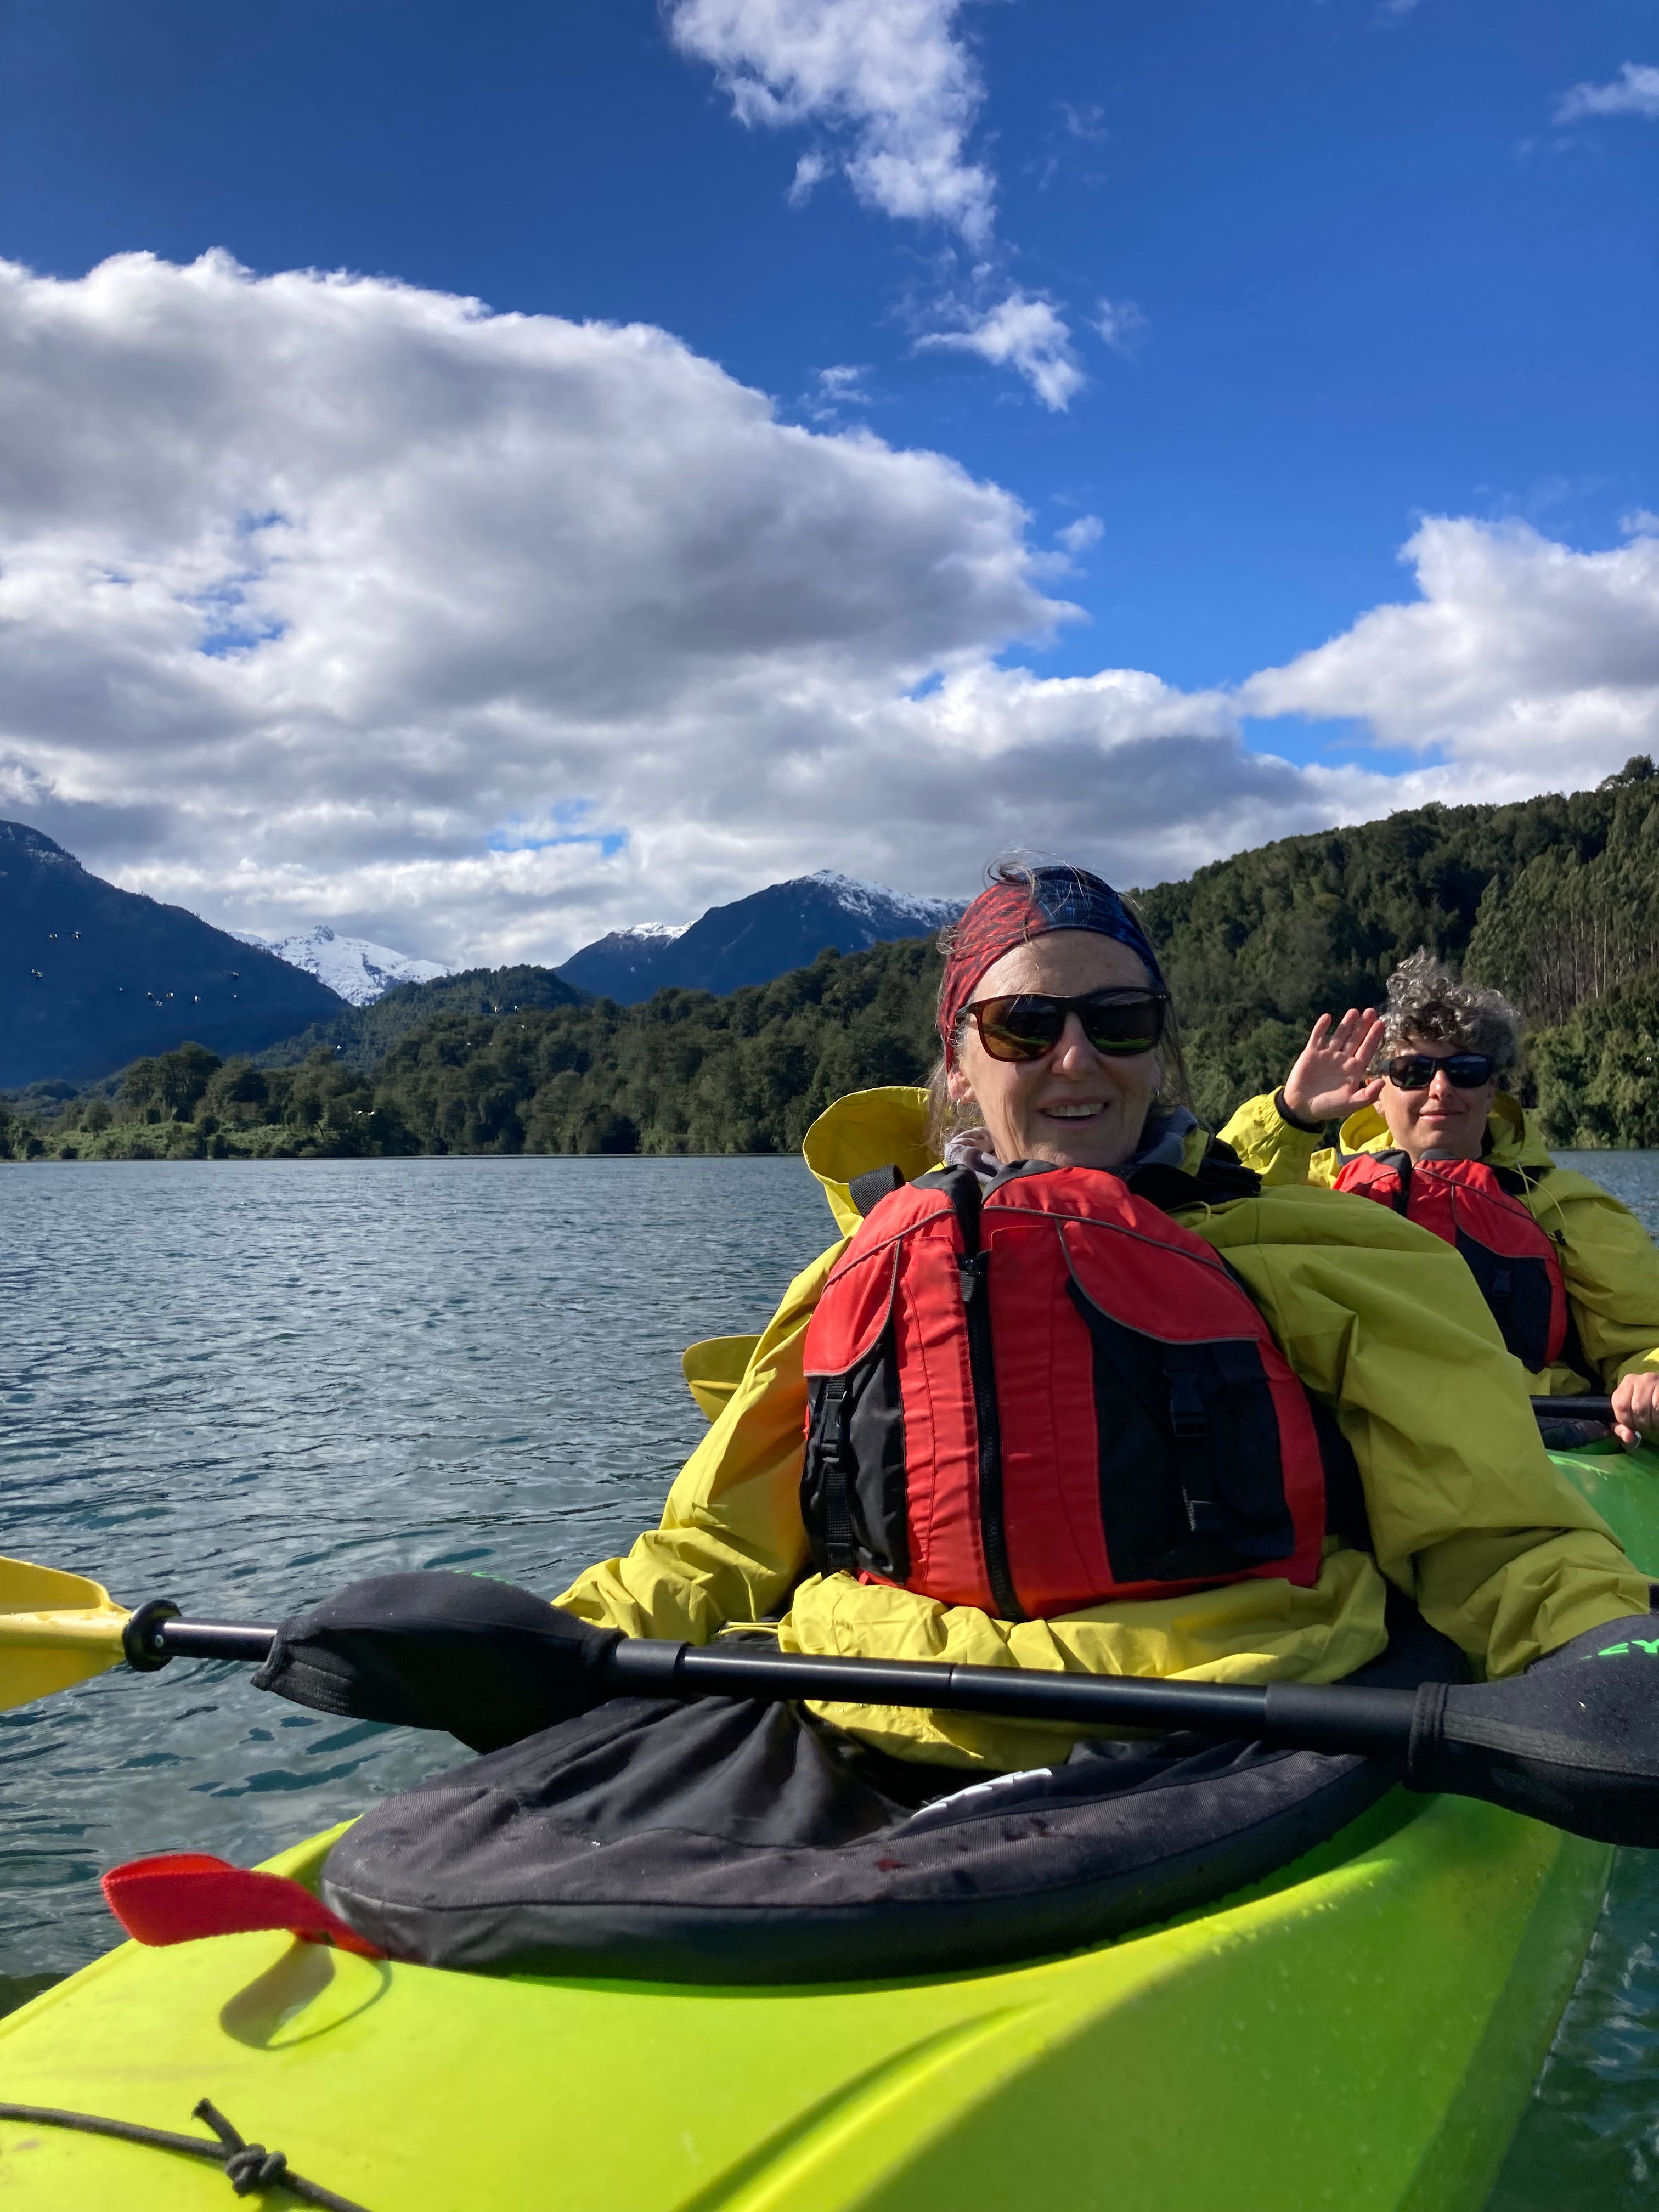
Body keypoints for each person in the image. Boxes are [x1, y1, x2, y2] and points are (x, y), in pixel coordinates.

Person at [554, 867, 1650, 1776]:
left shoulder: (1329, 1254)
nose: (1077, 1058)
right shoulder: (859, 1269)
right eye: (1023, 1025)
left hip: (1241, 1721)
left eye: (1119, 1023)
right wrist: (566, 1634)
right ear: (959, 1064)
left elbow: (1498, 1541)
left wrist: (1609, 1651)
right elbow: (714, 1544)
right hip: (865, 1705)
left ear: (1157, 1048)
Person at [1218, 951, 1659, 1450]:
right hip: (1352, 1439)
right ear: (1377, 1091)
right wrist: (1291, 1115)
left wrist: (1648, 1378)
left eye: (1467, 1071)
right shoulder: (1314, 1187)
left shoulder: (1566, 1208)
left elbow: (1644, 1337)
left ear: (1491, 1092)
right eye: (1413, 1070)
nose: (1441, 1089)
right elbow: (1205, 1211)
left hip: (1526, 1437)